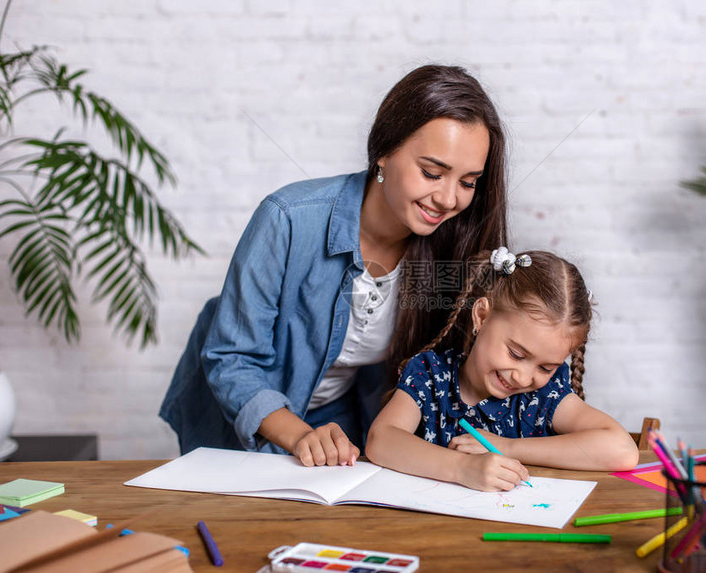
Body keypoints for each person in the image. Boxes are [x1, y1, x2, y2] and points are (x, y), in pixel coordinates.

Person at [159, 65, 510, 467]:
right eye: (432, 172)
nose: (448, 199)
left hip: (341, 422)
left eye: (468, 182)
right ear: (384, 151)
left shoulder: (454, 248)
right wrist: (302, 437)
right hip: (242, 420)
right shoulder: (288, 218)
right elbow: (231, 358)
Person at [365, 247, 640, 492]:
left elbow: (622, 450)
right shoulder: (430, 375)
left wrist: (506, 447)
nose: (522, 377)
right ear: (481, 316)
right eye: (516, 354)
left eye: (545, 367)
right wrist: (462, 468)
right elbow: (382, 439)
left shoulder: (544, 396)